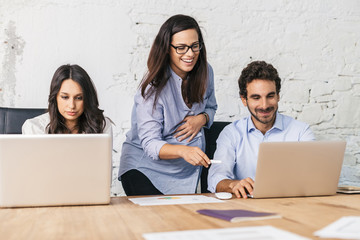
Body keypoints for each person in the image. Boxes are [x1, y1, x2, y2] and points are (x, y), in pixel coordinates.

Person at [118, 14, 217, 196]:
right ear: (166, 49)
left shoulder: (205, 71)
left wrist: (201, 119)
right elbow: (150, 144)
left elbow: (211, 107)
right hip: (145, 170)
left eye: (195, 46)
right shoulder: (152, 88)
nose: (190, 54)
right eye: (181, 48)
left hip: (184, 173)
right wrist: (184, 151)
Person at [207, 61, 315, 198]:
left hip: (290, 205)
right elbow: (216, 178)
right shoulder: (231, 133)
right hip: (245, 208)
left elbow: (313, 177)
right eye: (256, 97)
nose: (264, 105)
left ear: (278, 96)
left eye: (270, 96)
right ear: (244, 100)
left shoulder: (301, 132)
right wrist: (233, 185)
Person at [22, 64, 112, 135]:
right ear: (55, 97)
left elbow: (104, 158)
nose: (72, 105)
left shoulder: (101, 125)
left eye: (79, 98)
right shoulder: (34, 127)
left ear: (87, 99)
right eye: (65, 97)